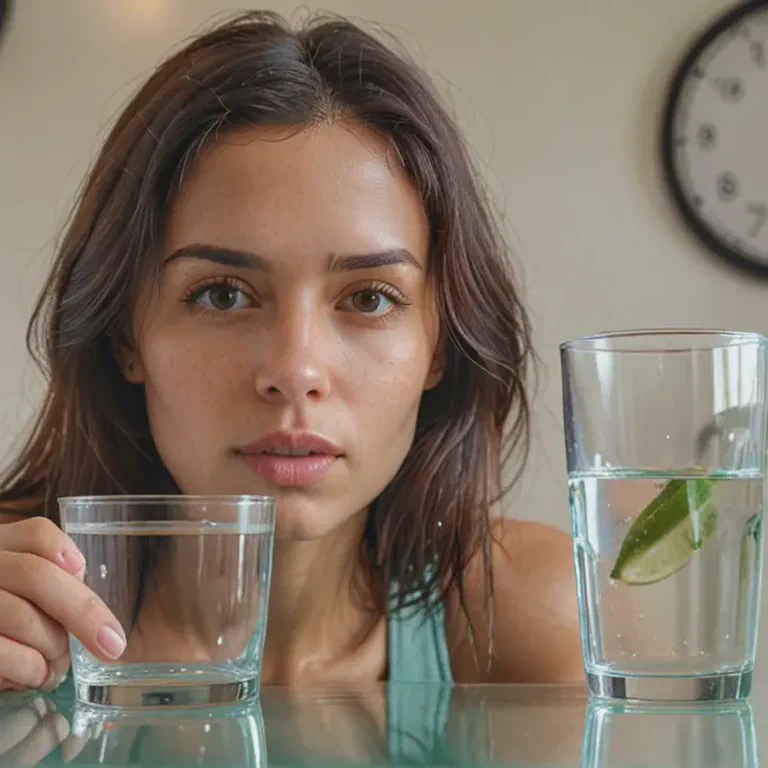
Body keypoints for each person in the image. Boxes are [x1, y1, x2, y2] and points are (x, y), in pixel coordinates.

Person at [0, 10, 581, 692]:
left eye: (368, 298)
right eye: (222, 295)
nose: (295, 371)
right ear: (126, 336)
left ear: (440, 347)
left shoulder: (525, 617)